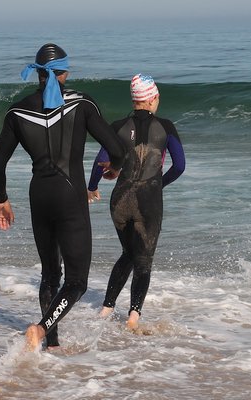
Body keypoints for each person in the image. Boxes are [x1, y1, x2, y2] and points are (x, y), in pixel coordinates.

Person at [0, 43, 125, 351]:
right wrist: (114, 168)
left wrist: (2, 199)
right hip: (70, 195)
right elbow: (117, 149)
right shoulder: (82, 103)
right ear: (65, 71)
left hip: (40, 195)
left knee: (51, 274)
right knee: (76, 282)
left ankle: (52, 344)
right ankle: (40, 329)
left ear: (37, 72)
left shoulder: (17, 111)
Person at [88, 74, 186, 330]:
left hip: (120, 199)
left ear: (134, 100)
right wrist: (158, 185)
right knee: (143, 260)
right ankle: (133, 318)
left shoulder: (118, 125)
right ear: (153, 98)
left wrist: (92, 187)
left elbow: (100, 160)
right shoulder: (165, 126)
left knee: (128, 253)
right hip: (148, 200)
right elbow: (180, 166)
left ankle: (106, 309)